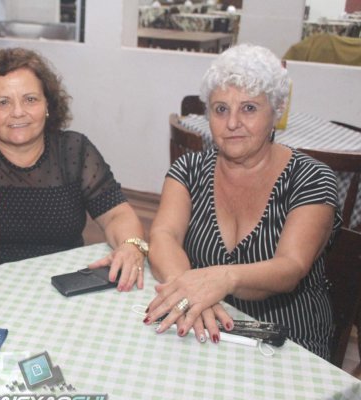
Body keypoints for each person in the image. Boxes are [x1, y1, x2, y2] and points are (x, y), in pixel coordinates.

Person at [143, 44, 341, 360]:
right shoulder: (189, 170)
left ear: (277, 110)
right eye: (221, 109)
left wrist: (223, 278)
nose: (232, 122)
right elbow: (164, 236)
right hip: (203, 327)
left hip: (287, 340)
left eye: (249, 108)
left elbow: (290, 267)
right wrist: (192, 294)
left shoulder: (311, 179)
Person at [0, 48, 146, 291]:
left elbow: (117, 214)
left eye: (30, 99)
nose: (18, 112)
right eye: (3, 102)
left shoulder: (74, 150)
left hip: (62, 285)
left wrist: (131, 245)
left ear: (47, 104)